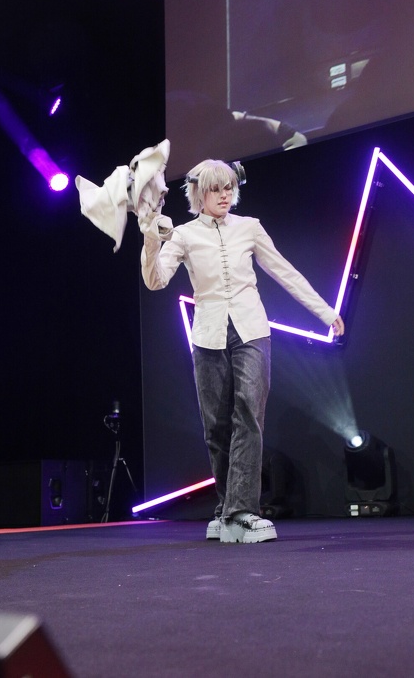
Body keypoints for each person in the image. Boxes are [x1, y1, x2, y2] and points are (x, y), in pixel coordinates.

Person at [140, 159, 344, 543]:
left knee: (249, 411)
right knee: (216, 427)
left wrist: (325, 312)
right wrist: (151, 239)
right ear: (199, 194)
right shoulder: (183, 235)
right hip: (208, 335)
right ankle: (225, 510)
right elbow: (155, 280)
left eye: (229, 187)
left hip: (252, 330)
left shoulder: (250, 227)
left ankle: (242, 512)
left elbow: (284, 271)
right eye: (217, 189)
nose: (225, 195)